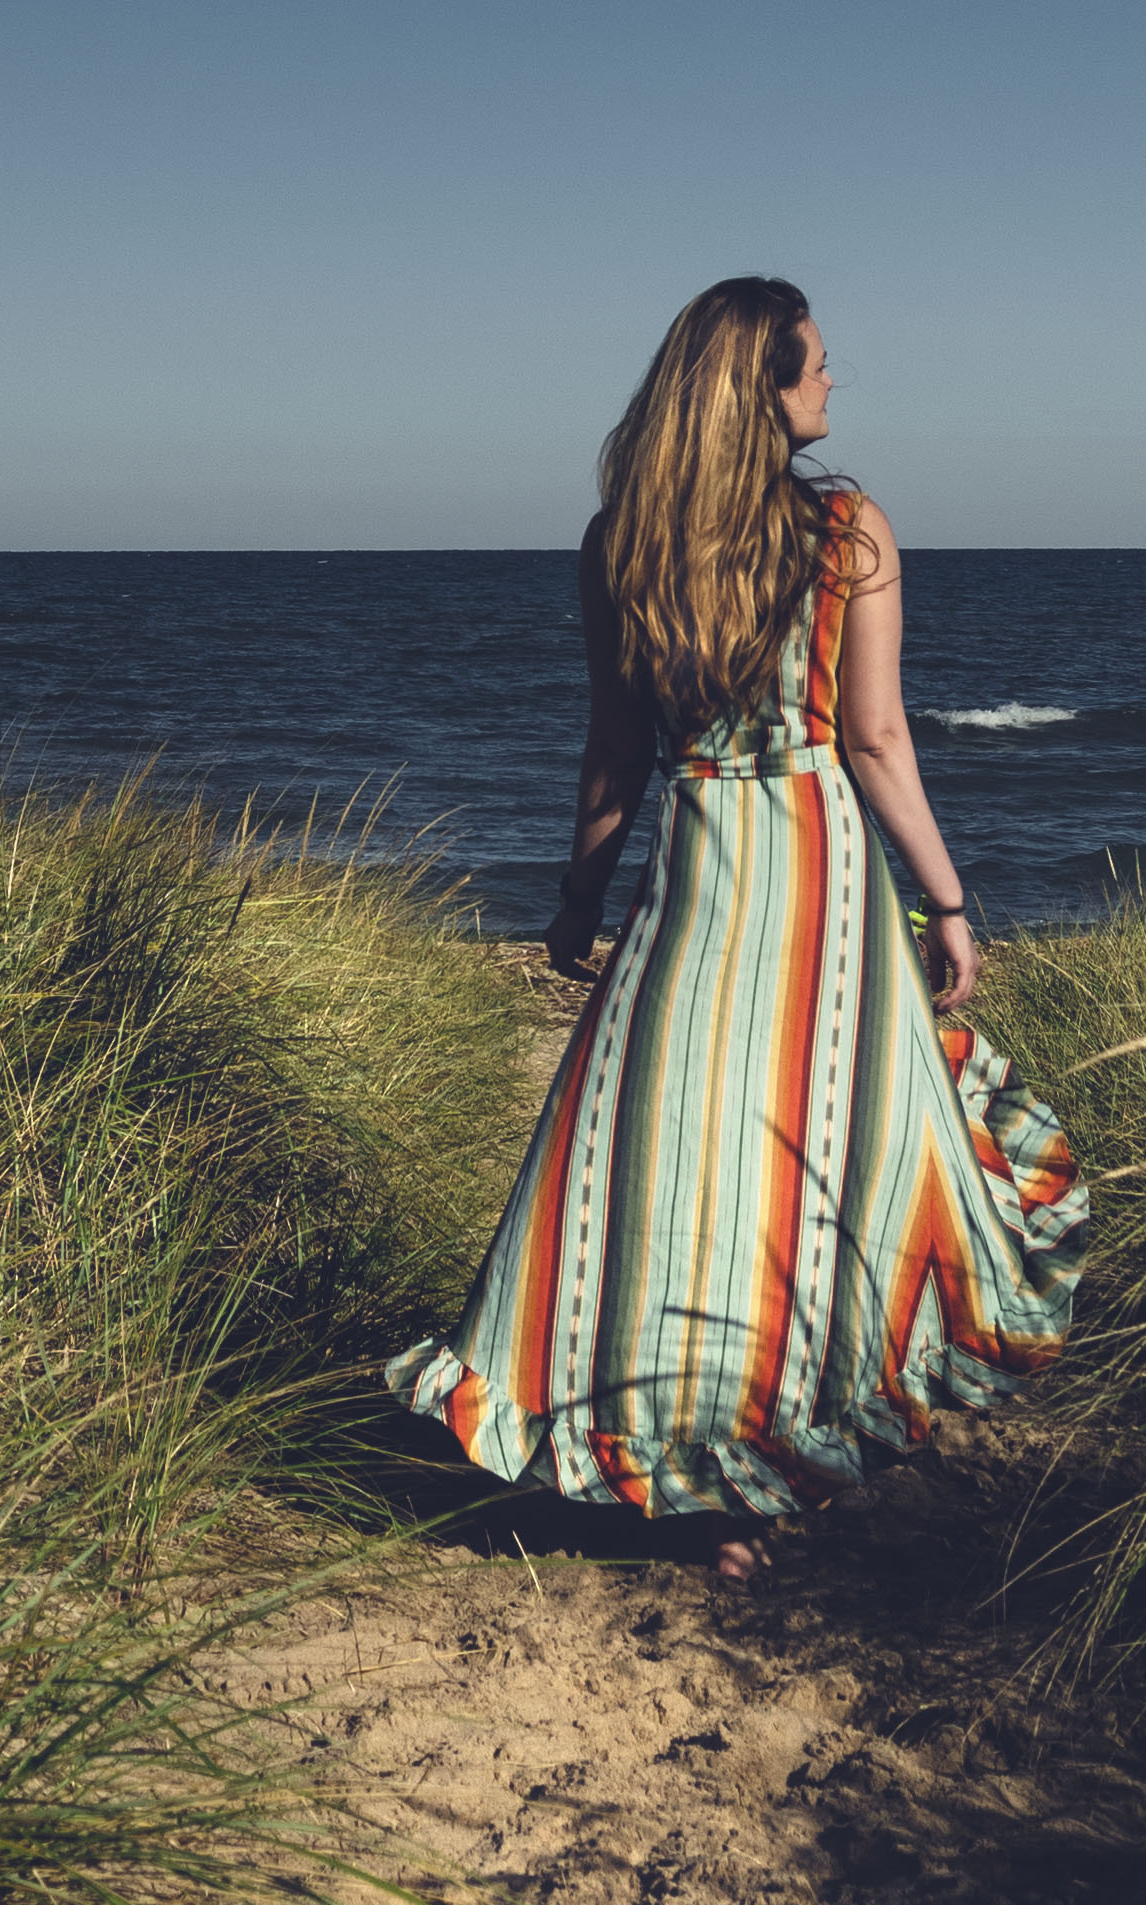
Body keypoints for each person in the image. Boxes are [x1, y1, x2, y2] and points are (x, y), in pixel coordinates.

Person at [384, 277, 1089, 1581]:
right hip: (820, 878)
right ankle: (768, 1458)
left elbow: (614, 756)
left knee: (672, 1166)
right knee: (820, 1168)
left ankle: (683, 1463)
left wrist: (578, 901)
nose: (833, 384)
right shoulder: (849, 531)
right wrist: (946, 897)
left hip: (701, 869)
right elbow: (875, 741)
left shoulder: (624, 544)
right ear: (763, 389)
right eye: (816, 365)